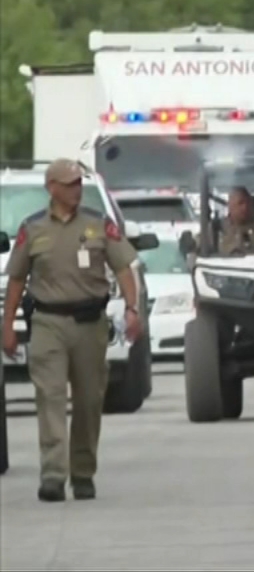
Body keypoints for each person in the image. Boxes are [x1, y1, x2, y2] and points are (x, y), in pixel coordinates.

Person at [1, 159, 143, 502]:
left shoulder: (98, 224)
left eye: (79, 183)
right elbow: (17, 279)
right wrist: (7, 325)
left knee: (89, 400)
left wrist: (132, 307)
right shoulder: (33, 228)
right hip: (47, 323)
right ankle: (53, 475)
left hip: (90, 324)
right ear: (51, 188)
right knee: (49, 396)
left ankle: (82, 472)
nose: (76, 189)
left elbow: (123, 267)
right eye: (69, 184)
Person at [218, 187, 254, 256]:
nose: (245, 207)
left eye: (248, 203)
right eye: (240, 203)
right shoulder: (216, 228)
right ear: (230, 206)